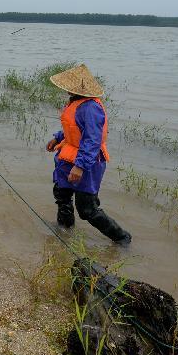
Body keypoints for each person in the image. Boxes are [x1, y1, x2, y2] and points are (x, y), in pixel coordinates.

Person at [46, 64, 131, 245]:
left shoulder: (91, 107)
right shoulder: (75, 102)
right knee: (62, 194)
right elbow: (74, 128)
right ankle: (64, 231)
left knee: (87, 209)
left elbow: (92, 139)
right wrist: (57, 137)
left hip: (87, 163)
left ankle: (122, 238)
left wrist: (80, 166)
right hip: (67, 157)